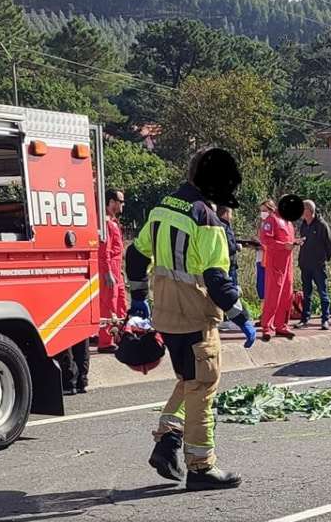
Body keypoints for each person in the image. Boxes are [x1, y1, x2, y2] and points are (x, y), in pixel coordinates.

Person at [124, 147, 257, 489]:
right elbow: (216, 279)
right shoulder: (207, 220)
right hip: (197, 318)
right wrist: (240, 314)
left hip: (166, 316)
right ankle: (201, 467)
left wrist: (139, 299)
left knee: (187, 380)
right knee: (202, 387)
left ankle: (167, 442)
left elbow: (135, 255)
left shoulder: (161, 209)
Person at [258, 195, 301, 340]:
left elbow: (287, 240)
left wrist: (296, 242)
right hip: (275, 262)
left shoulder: (288, 222)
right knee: (272, 294)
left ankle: (282, 325)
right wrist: (284, 246)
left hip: (287, 263)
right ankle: (267, 327)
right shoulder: (271, 219)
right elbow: (265, 240)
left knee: (286, 295)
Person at [96, 189, 128, 352]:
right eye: (120, 201)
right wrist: (108, 272)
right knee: (109, 304)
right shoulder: (106, 223)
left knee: (121, 303)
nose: (123, 204)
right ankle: (105, 341)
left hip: (116, 270)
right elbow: (105, 250)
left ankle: (121, 335)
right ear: (111, 202)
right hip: (110, 270)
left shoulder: (112, 221)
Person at [297, 197, 331, 329]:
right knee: (307, 293)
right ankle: (305, 319)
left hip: (318, 265)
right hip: (305, 265)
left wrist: (323, 260)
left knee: (323, 292)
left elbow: (330, 245)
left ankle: (325, 319)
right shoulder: (303, 225)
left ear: (308, 210)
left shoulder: (322, 225)